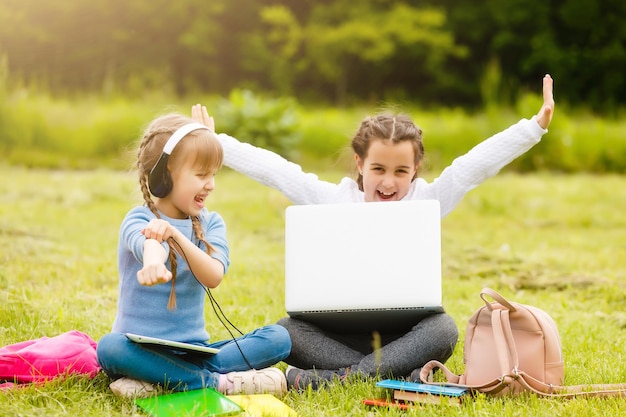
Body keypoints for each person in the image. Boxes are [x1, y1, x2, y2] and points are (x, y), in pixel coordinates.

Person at [191, 74, 555, 390]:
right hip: (335, 335)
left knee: (443, 330)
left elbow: (473, 166)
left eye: (400, 171)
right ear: (360, 164)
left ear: (414, 171)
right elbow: (277, 170)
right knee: (288, 330)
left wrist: (533, 128)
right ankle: (397, 376)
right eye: (378, 168)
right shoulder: (333, 199)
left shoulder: (427, 200)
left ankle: (339, 378)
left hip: (405, 336)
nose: (388, 181)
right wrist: (217, 141)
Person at [96, 113, 292, 398]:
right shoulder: (138, 218)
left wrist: (177, 237)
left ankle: (161, 381)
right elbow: (152, 244)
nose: (211, 184)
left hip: (193, 354)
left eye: (213, 174)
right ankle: (219, 383)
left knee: (279, 338)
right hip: (138, 350)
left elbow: (213, 275)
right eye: (201, 174)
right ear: (165, 177)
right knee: (109, 347)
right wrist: (153, 263)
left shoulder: (211, 223)